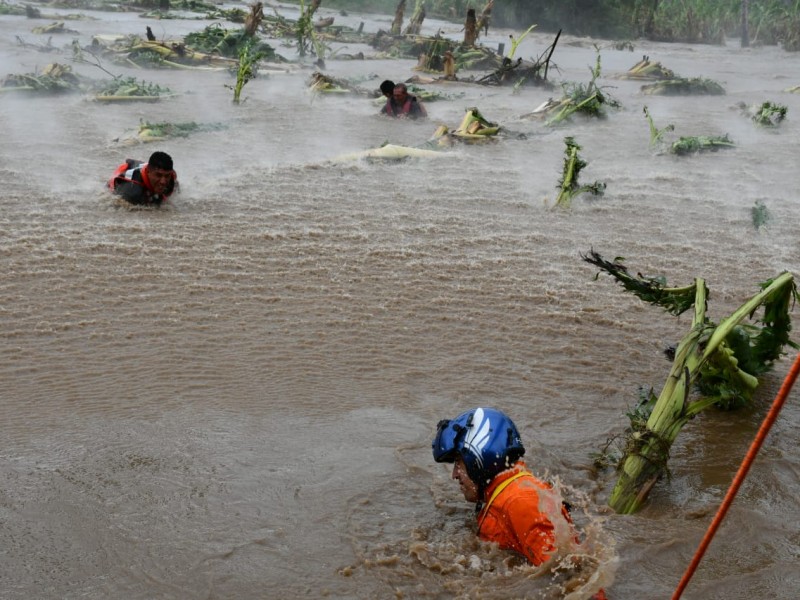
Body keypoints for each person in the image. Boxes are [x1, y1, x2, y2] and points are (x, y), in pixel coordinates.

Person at [433, 407, 608, 599]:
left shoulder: (522, 502)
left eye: (459, 463)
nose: (454, 475)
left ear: (478, 457)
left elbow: (574, 580)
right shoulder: (505, 492)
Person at [108, 151, 178, 206]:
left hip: (141, 167)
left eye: (167, 176)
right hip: (124, 176)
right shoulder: (131, 190)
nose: (163, 182)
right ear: (148, 172)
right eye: (158, 175)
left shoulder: (171, 178)